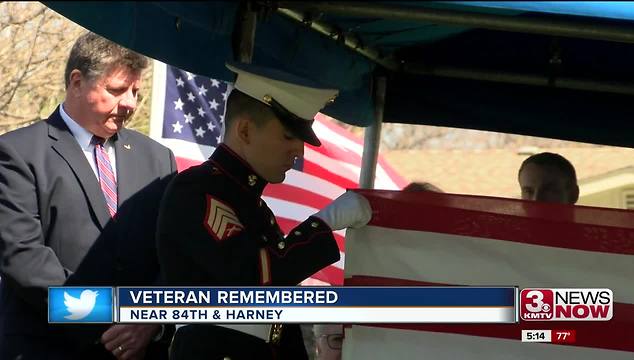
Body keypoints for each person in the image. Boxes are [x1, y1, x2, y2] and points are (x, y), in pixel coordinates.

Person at [156, 62, 372, 359]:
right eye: (287, 136)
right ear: (244, 129)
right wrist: (323, 223)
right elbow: (254, 277)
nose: (299, 151)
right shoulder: (196, 190)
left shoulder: (253, 206)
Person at [0, 32, 176, 359]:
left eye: (136, 92)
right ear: (77, 82)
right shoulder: (17, 153)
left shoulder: (158, 159)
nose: (129, 103)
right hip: (49, 346)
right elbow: (23, 258)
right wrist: (113, 315)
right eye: (116, 90)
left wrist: (150, 320)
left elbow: (174, 252)